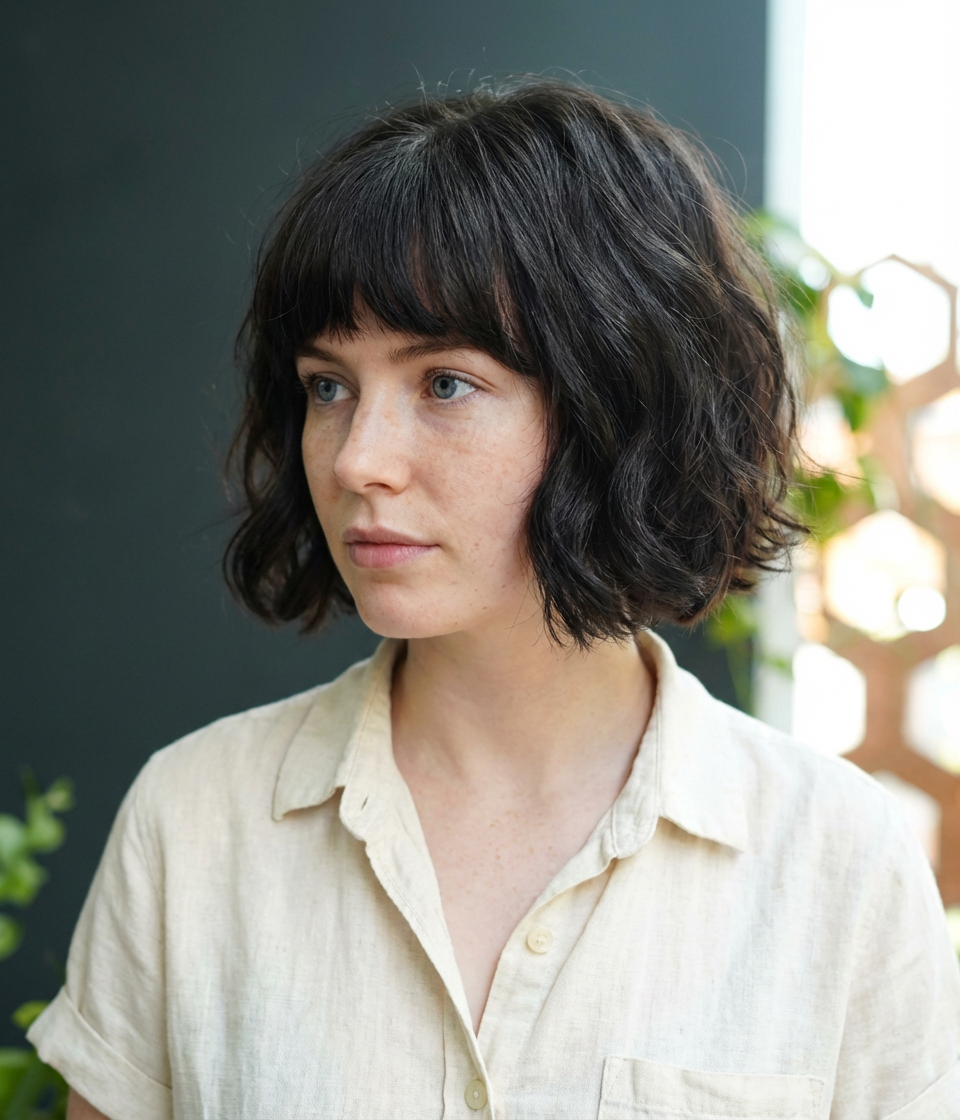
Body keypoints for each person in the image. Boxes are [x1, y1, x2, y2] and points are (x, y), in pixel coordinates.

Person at [30, 79, 960, 1120]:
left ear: (617, 401)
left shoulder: (835, 859)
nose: (359, 460)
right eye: (329, 386)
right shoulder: (195, 822)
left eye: (444, 384)